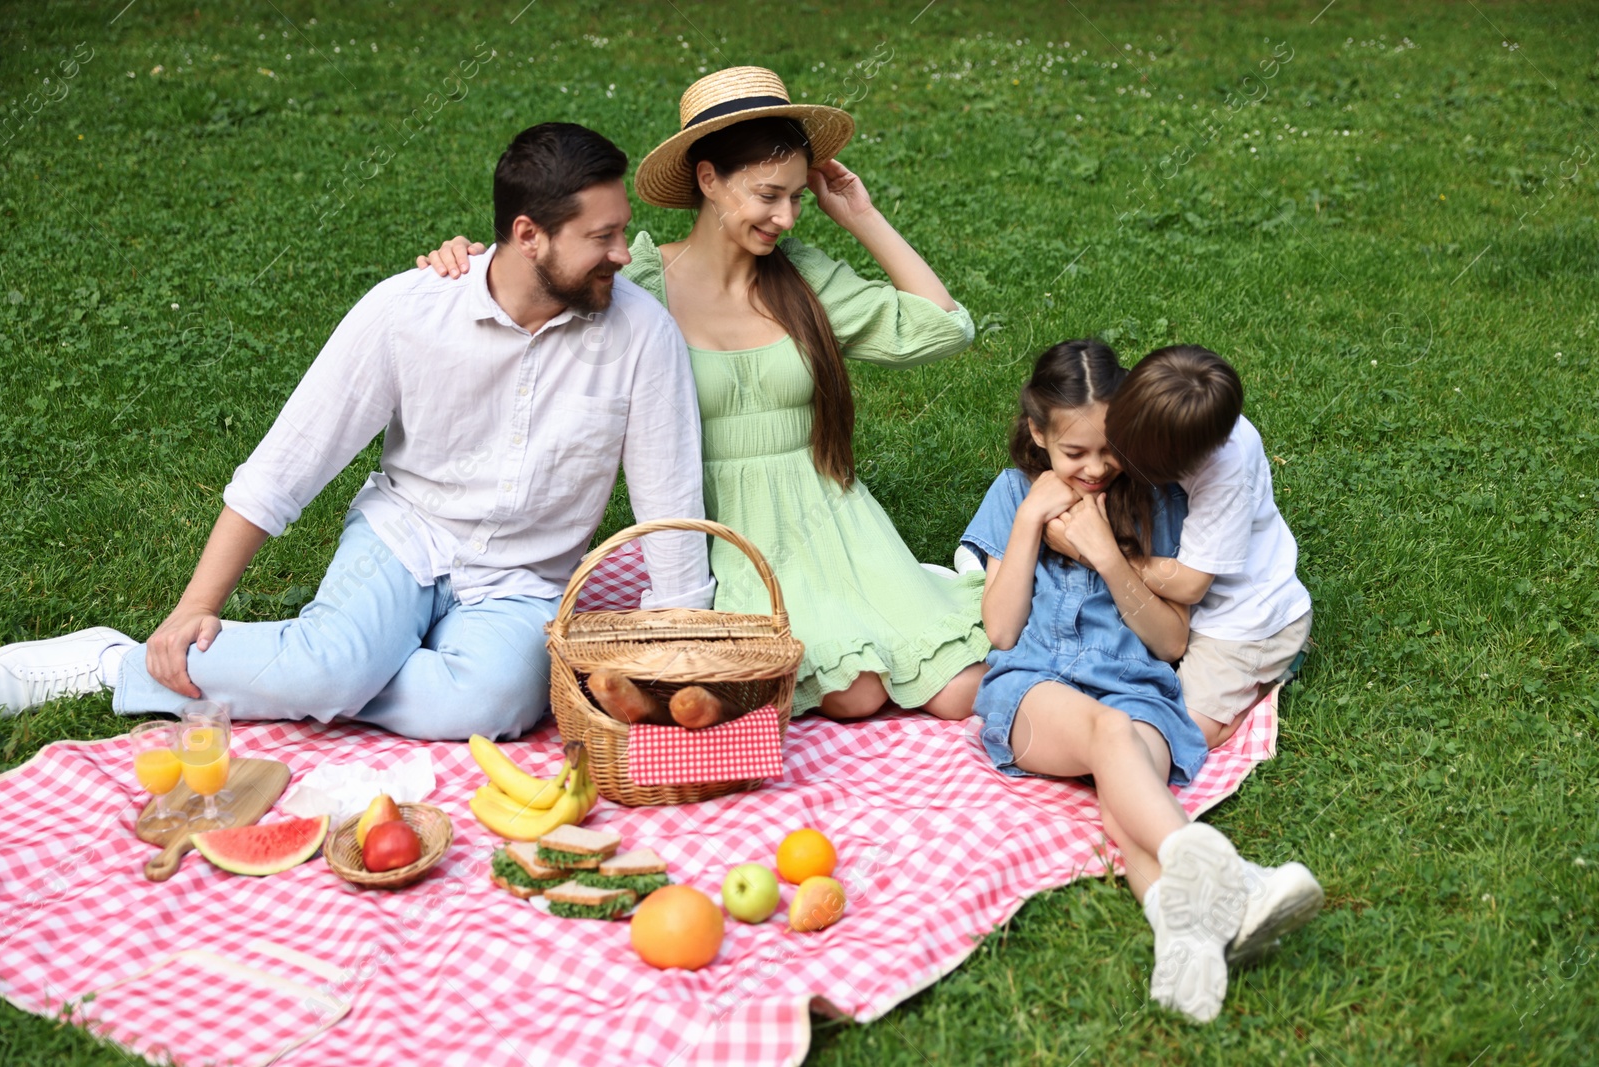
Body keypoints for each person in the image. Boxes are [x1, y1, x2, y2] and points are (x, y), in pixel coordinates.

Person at [0, 123, 713, 740]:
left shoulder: (642, 335)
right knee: (335, 664)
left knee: (495, 700)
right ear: (529, 235)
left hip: (525, 579)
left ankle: (332, 670)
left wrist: (683, 659)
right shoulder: (408, 311)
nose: (624, 253)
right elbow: (289, 462)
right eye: (603, 236)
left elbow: (670, 510)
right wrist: (196, 606)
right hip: (405, 536)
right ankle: (110, 662)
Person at [419, 67, 988, 722]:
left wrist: (861, 215)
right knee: (853, 691)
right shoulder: (639, 281)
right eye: (769, 194)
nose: (787, 216)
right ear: (709, 179)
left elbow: (943, 329)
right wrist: (464, 266)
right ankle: (672, 693)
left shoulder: (801, 277)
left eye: (799, 197)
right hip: (725, 532)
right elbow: (536, 290)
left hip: (835, 518)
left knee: (959, 686)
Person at [959, 339, 1322, 1023]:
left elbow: (1172, 639)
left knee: (1129, 782)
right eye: (1074, 454)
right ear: (1039, 435)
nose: (1095, 468)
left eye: (1108, 449)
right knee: (1108, 732)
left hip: (1138, 689)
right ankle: (1230, 875)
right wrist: (1033, 518)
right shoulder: (1014, 492)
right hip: (1035, 690)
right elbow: (1002, 631)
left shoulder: (1157, 497)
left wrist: (1105, 553)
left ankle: (1181, 931)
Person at [1102, 345, 1313, 749]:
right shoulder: (1178, 415)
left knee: (1180, 731)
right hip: (1185, 611)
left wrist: (1103, 553)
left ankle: (1265, 676)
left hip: (1242, 621)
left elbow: (1190, 585)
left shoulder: (1224, 471)